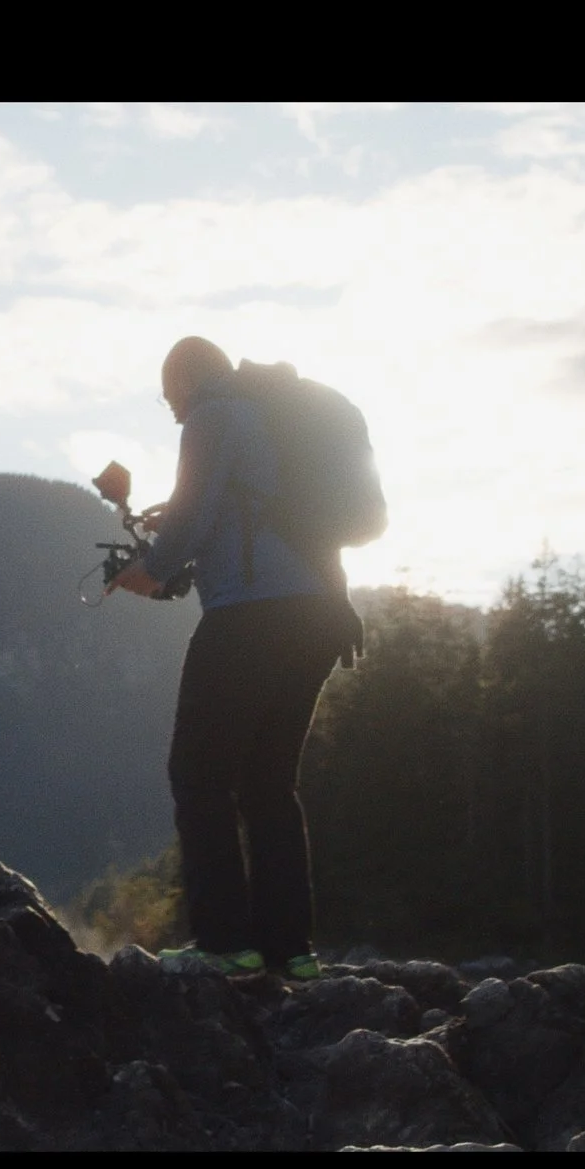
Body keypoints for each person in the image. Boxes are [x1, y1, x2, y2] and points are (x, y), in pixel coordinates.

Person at [108, 336, 368, 982]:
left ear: (187, 379)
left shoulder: (213, 413)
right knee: (268, 784)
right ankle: (290, 950)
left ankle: (223, 942)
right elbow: (250, 511)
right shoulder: (268, 420)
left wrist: (151, 569)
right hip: (318, 617)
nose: (171, 410)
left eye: (169, 397)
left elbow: (194, 516)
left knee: (199, 774)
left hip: (251, 617)